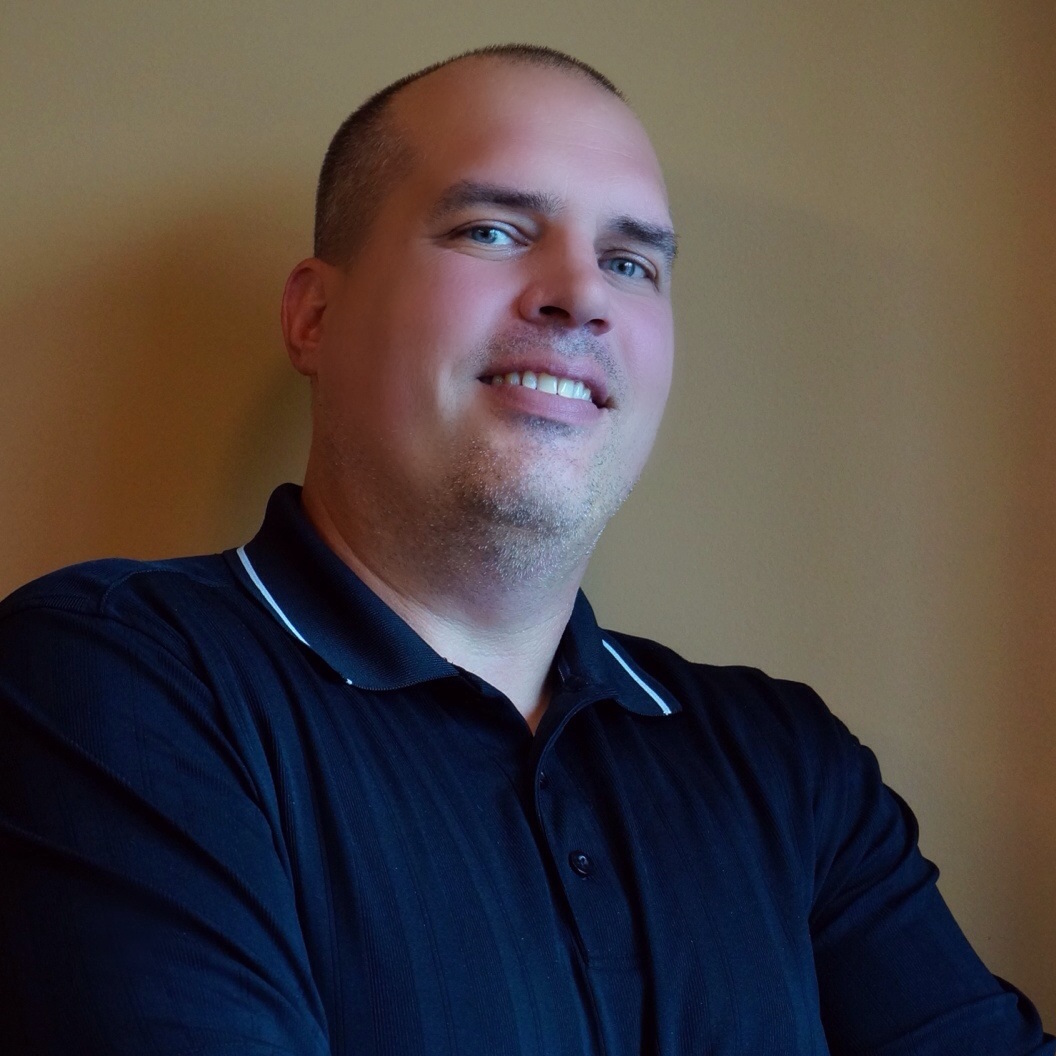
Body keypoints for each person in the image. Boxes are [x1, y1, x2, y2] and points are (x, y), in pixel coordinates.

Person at [0, 44, 1050, 1056]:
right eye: (494, 230)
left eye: (630, 262)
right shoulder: (110, 682)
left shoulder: (789, 767)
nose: (581, 295)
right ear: (315, 316)